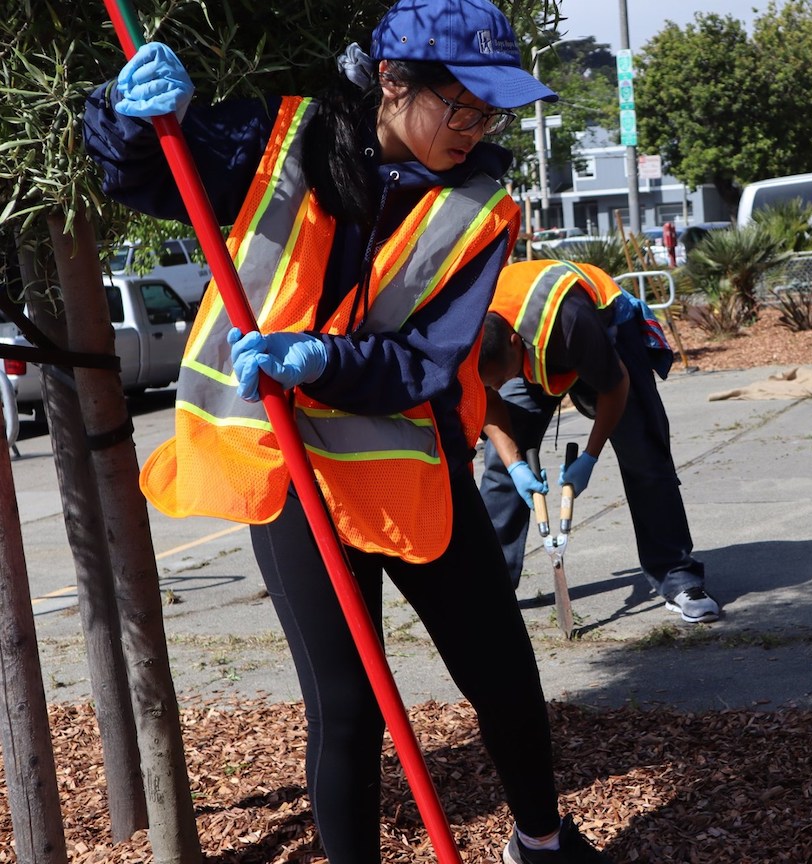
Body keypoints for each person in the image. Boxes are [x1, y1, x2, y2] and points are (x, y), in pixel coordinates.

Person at [83, 2, 612, 863]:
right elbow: (146, 171)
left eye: (492, 113)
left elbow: (428, 361)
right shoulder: (279, 143)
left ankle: (542, 843)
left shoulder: (480, 208)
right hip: (289, 473)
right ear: (393, 83)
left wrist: (322, 361)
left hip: (408, 468)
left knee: (503, 672)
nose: (476, 131)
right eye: (463, 107)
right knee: (350, 702)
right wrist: (127, 114)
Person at [478, 259, 721, 624]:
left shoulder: (572, 322)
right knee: (499, 468)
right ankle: (490, 588)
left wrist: (589, 458)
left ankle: (678, 577)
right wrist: (514, 463)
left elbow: (614, 386)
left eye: (501, 378)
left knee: (645, 456)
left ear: (515, 345)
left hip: (605, 331)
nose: (499, 386)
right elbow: (486, 399)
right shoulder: (469, 335)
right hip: (526, 344)